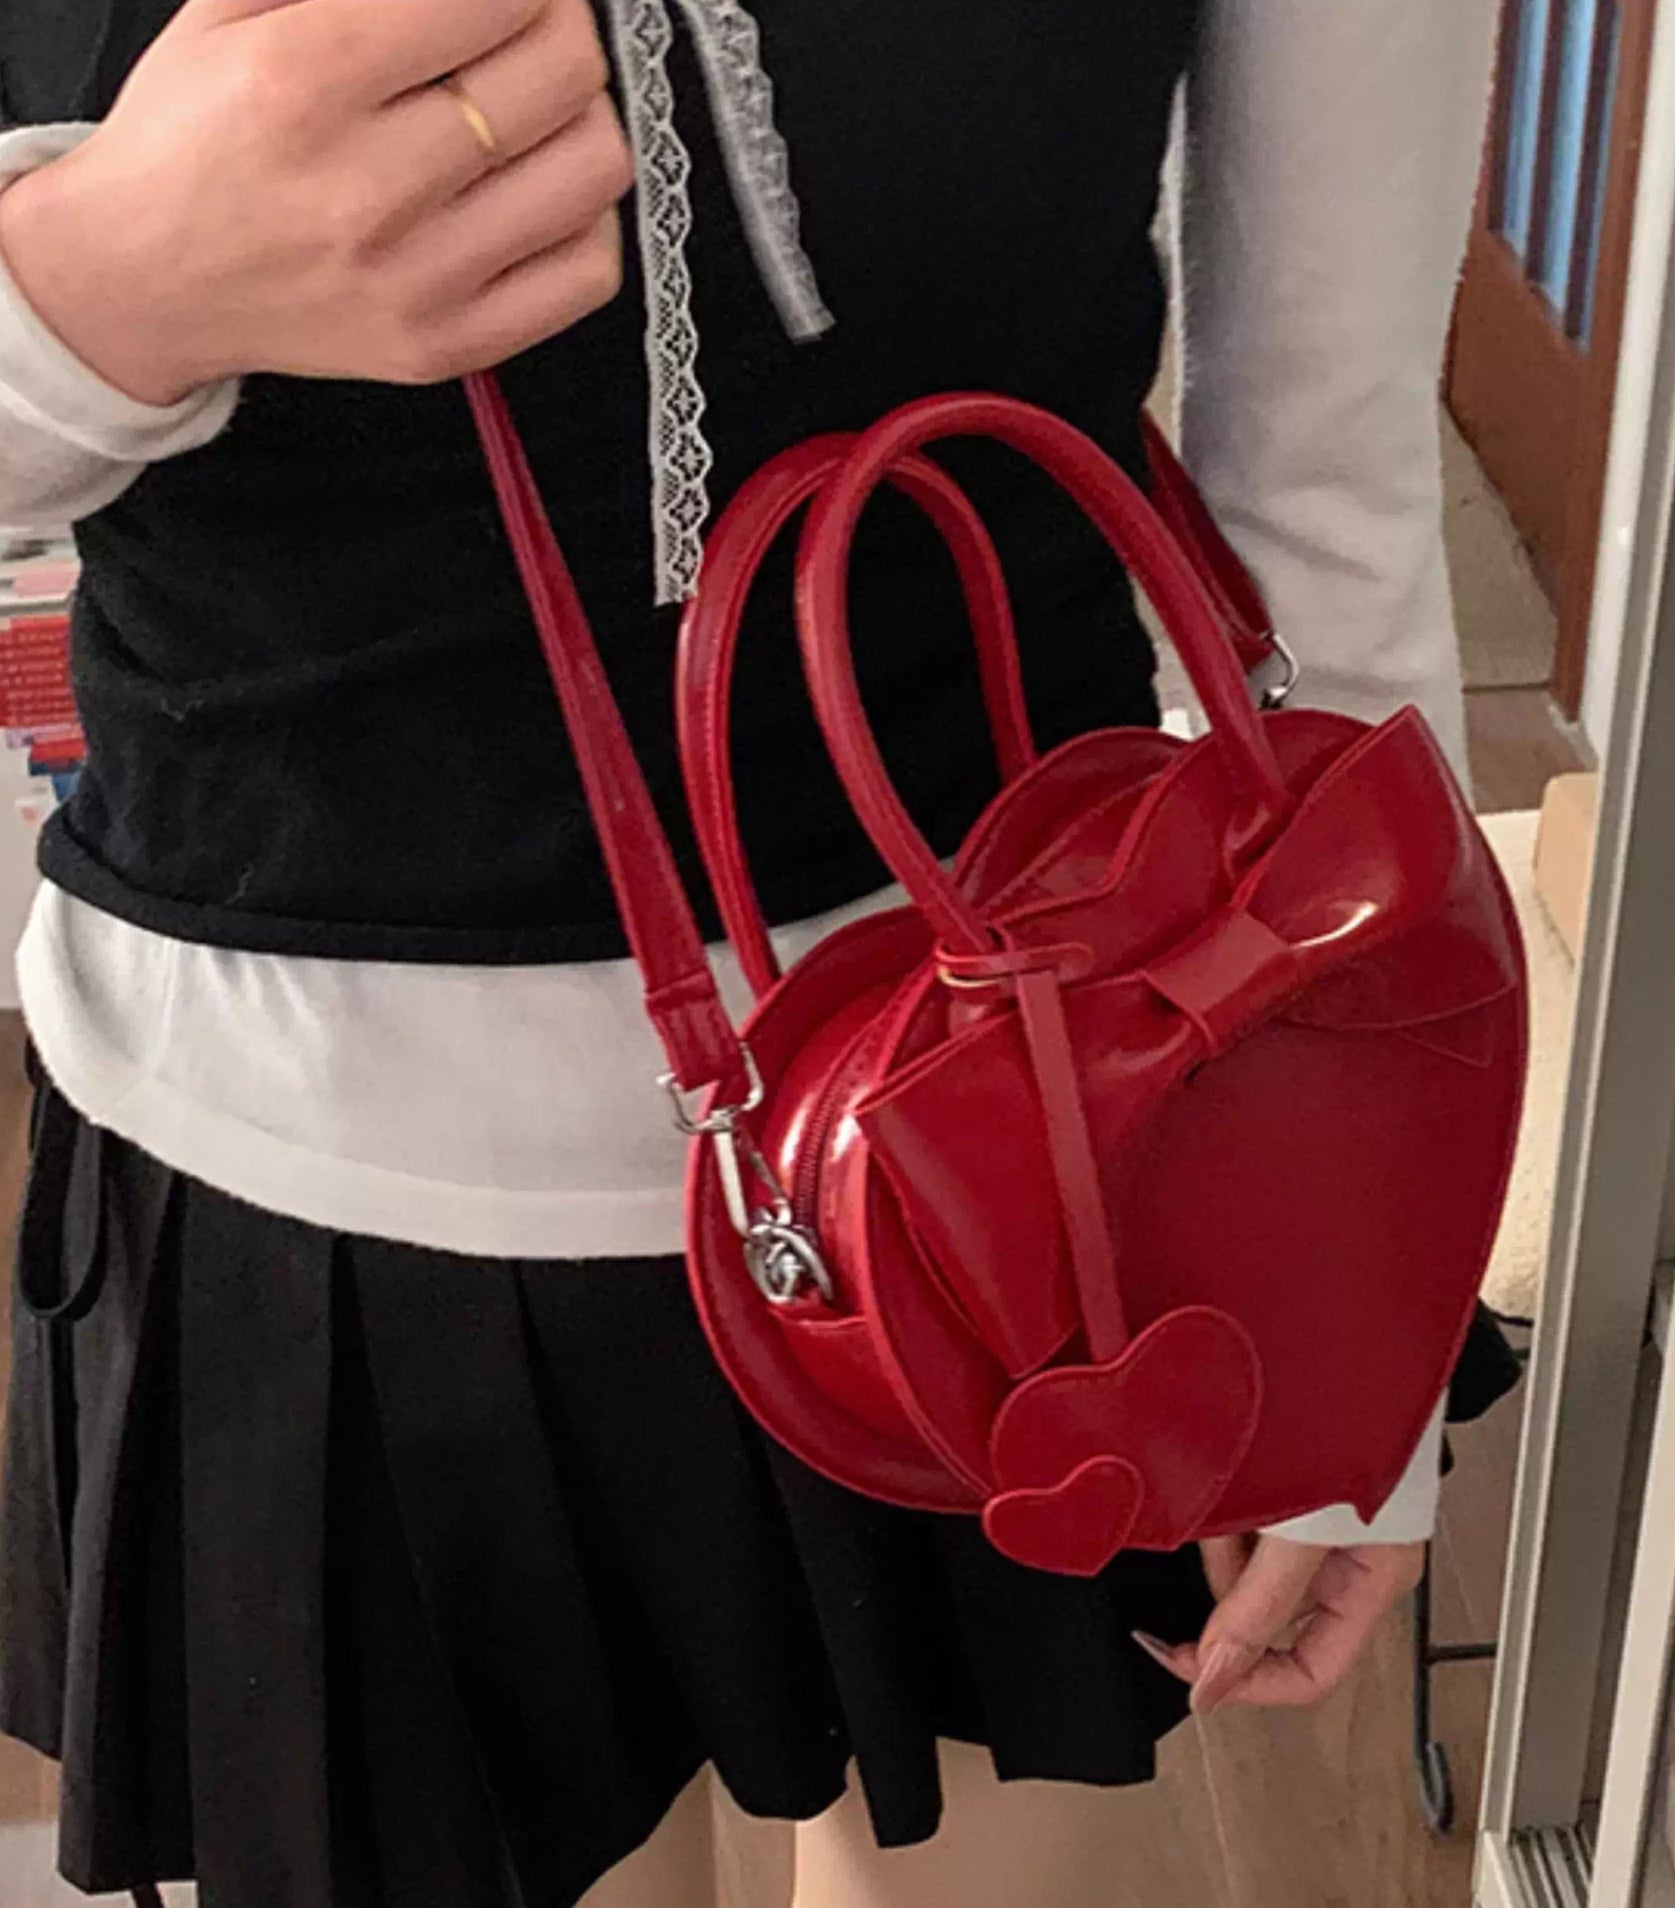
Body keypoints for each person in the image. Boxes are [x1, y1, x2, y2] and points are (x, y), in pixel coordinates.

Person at [0, 0, 1520, 1901]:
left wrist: (1359, 1277)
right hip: (301, 1188)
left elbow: (1327, 474)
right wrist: (95, 294)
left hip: (1046, 1146)